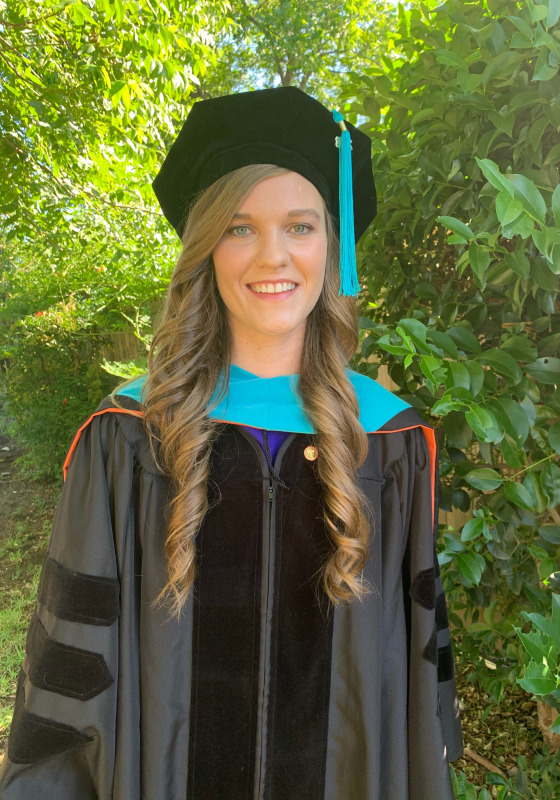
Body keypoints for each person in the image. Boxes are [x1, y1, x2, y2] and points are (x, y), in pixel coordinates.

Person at [0, 86, 462, 800]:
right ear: (207, 248)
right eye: (240, 228)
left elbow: (415, 673)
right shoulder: (128, 437)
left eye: (300, 226)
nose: (273, 255)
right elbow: (71, 673)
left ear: (331, 244)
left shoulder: (389, 442)